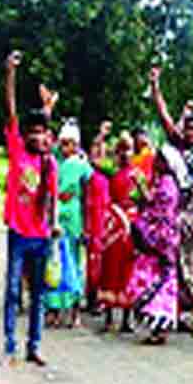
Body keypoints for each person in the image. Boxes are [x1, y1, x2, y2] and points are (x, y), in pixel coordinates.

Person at [1, 51, 60, 368]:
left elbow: (51, 199)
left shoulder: (50, 163)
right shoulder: (17, 153)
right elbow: (11, 111)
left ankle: (33, 346)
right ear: (25, 135)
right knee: (12, 291)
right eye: (32, 132)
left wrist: (54, 226)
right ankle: (10, 345)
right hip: (19, 233)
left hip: (41, 236)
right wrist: (10, 73)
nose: (38, 136)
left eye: (42, 132)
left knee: (38, 294)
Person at [150, 67, 193, 336]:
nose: (190, 133)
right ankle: (177, 310)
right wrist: (155, 87)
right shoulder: (177, 146)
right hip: (175, 210)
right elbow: (163, 115)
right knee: (175, 260)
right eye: (187, 128)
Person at [126, 145, 187, 345]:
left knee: (161, 282)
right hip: (163, 239)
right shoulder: (165, 182)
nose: (155, 162)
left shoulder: (167, 184)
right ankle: (158, 328)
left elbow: (158, 210)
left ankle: (160, 327)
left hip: (161, 240)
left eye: (159, 159)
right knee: (162, 281)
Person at [44, 119, 92, 328]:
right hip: (55, 216)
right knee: (55, 261)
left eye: (67, 143)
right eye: (61, 143)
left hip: (73, 218)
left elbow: (88, 196)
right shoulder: (56, 163)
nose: (63, 148)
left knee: (73, 263)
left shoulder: (82, 166)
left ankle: (74, 310)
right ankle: (54, 308)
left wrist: (87, 226)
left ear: (75, 144)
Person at [98, 132, 138, 332]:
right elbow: (94, 160)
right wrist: (101, 137)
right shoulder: (111, 171)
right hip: (113, 224)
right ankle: (108, 317)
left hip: (130, 226)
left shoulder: (138, 175)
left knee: (128, 270)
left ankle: (126, 318)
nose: (125, 154)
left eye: (128, 149)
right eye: (121, 150)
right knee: (109, 268)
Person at [84, 124, 112, 314]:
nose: (97, 156)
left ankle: (100, 298)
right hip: (92, 222)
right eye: (94, 152)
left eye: (101, 153)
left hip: (105, 221)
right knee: (92, 261)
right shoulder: (88, 175)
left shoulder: (107, 174)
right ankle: (92, 297)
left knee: (103, 261)